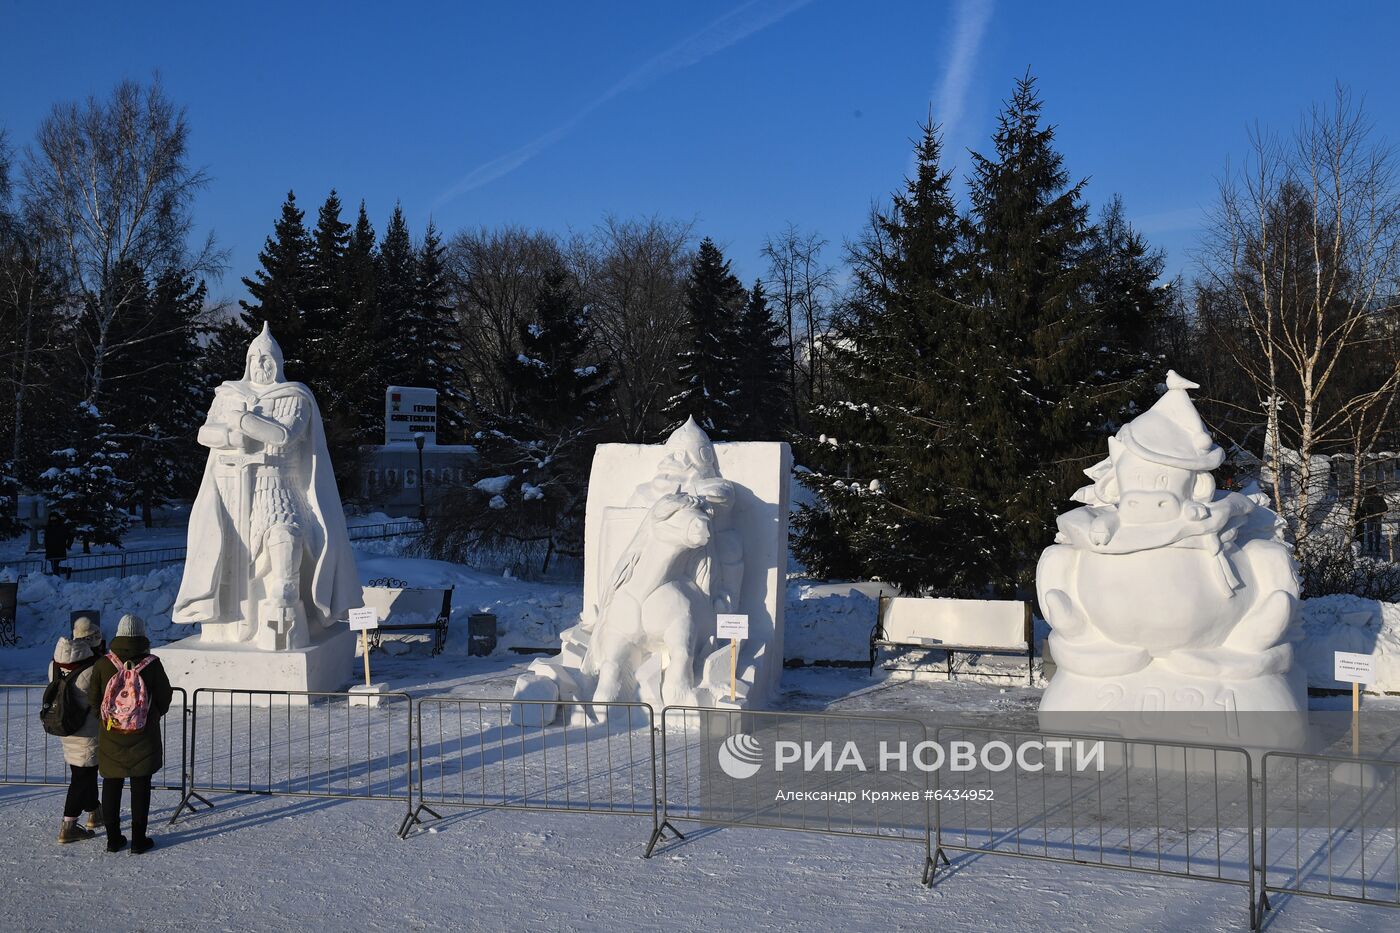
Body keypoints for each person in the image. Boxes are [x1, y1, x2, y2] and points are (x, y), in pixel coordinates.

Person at [87, 614, 172, 854]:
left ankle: (113, 839)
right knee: (140, 786)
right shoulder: (152, 664)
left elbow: (93, 698)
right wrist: (150, 717)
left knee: (111, 785)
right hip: (144, 735)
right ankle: (138, 840)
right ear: (142, 634)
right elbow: (164, 697)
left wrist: (107, 720)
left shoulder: (104, 663)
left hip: (111, 734)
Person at [49, 636, 101, 842]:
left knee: (82, 773)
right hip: (87, 731)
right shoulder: (93, 669)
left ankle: (95, 811)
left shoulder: (53, 666)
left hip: (65, 727)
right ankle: (68, 825)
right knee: (82, 777)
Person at [44, 512, 73, 577]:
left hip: (59, 549)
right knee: (54, 567)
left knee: (54, 567)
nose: (53, 519)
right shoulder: (48, 527)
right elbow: (46, 538)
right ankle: (66, 570)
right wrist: (46, 547)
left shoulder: (62, 527)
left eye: (54, 517)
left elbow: (70, 536)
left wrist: (68, 545)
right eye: (51, 517)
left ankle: (57, 581)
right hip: (50, 550)